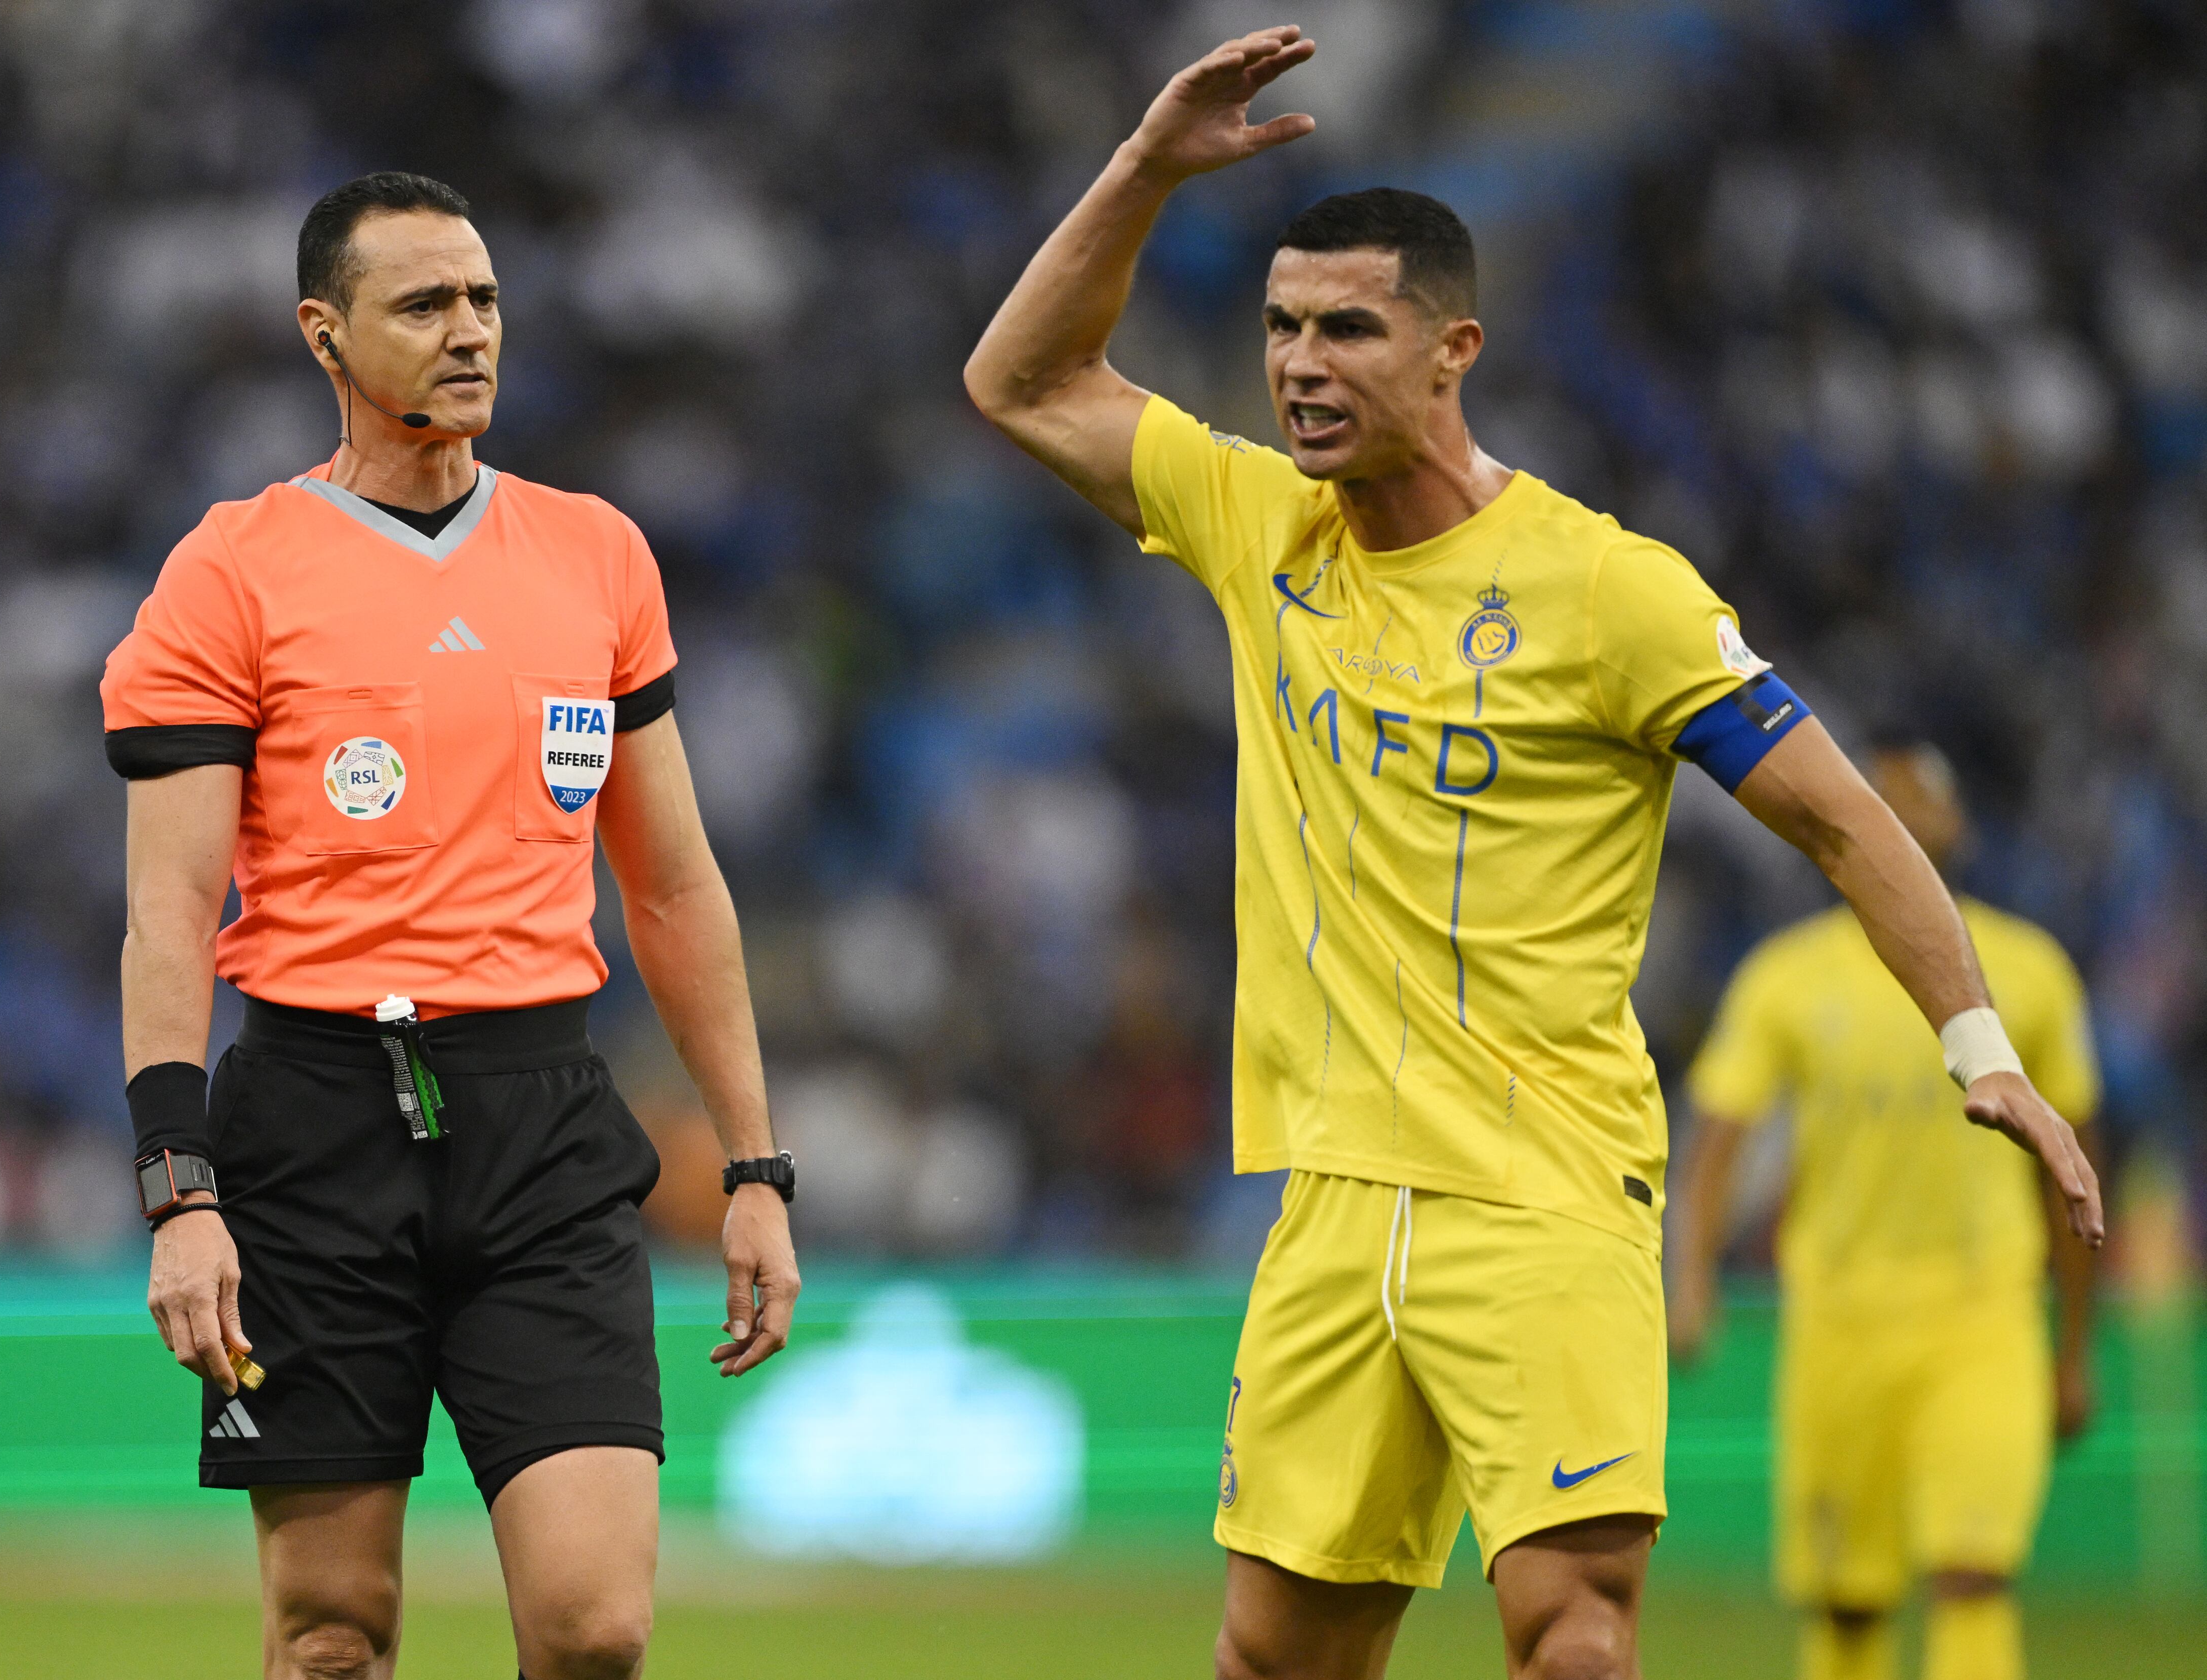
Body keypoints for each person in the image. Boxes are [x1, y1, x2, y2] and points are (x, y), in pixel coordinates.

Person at [962, 29, 2102, 1680]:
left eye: (1349, 326)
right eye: (1280, 327)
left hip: (1544, 1186)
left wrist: (1979, 1046)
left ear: (1455, 352)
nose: (1299, 362)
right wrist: (1143, 167)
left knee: (1571, 1636)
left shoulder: (1607, 589)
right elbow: (1019, 380)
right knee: (1274, 1654)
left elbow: (1843, 815)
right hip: (1335, 1195)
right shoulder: (1251, 520)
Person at [102, 170, 801, 1680]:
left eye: (483, 297)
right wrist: (181, 1195)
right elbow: (168, 910)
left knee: (597, 1625)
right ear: (326, 336)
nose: (469, 329)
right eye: (423, 303)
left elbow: (674, 887)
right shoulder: (230, 571)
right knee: (332, 1633)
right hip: (311, 1129)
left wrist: (754, 1163)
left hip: (541, 1125)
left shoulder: (598, 553)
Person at [1675, 742, 2100, 1680]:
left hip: (1984, 1314)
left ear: (1960, 825)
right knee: (1848, 1597)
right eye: (1884, 789)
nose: (1907, 804)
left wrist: (2073, 1350)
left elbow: (2077, 1167)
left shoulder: (2029, 972)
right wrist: (1692, 1276)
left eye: (1928, 793)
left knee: (1973, 1573)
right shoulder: (1786, 977)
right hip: (1840, 1319)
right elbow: (1716, 1141)